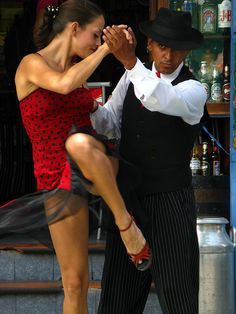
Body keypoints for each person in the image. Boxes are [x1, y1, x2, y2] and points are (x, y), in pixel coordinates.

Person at [0, 1, 152, 313]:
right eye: (96, 35)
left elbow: (102, 117)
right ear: (73, 29)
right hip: (57, 180)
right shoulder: (32, 64)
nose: (98, 43)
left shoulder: (76, 67)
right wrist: (107, 50)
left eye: (101, 38)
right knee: (75, 283)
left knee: (79, 144)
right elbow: (64, 85)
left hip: (94, 161)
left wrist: (128, 58)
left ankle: (127, 226)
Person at [91, 7, 208, 314]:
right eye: (162, 45)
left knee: (179, 298)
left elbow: (160, 99)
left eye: (176, 48)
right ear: (150, 45)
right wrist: (84, 104)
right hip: (129, 202)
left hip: (171, 202)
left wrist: (130, 62)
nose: (169, 54)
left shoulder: (194, 89)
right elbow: (109, 123)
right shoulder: (130, 79)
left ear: (186, 51)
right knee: (117, 299)